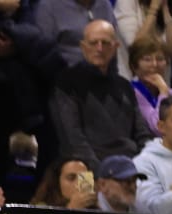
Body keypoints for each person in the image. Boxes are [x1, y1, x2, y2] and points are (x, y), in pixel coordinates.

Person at [50, 21, 154, 163]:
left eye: (105, 43)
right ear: (83, 47)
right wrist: (102, 172)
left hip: (131, 165)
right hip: (88, 166)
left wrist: (147, 162)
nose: (99, 48)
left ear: (115, 47)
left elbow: (142, 133)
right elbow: (73, 140)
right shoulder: (66, 82)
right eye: (93, 43)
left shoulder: (124, 85)